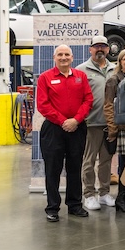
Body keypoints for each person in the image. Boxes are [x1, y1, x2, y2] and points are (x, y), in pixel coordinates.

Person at [36, 44, 94, 222]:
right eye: (60, 54)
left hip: (77, 127)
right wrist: (63, 121)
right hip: (54, 129)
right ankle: (52, 207)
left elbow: (88, 99)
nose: (63, 57)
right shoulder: (45, 78)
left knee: (75, 167)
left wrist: (76, 120)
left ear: (72, 57)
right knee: (52, 169)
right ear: (54, 58)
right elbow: (43, 105)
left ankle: (75, 205)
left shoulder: (81, 76)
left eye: (66, 55)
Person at [77, 36, 116, 212]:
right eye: (96, 46)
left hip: (110, 124)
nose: (100, 49)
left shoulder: (115, 69)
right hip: (90, 123)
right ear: (90, 49)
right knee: (89, 160)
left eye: (103, 46)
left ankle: (104, 192)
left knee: (106, 160)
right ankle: (89, 194)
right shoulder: (81, 70)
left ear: (108, 49)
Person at [104, 48, 125, 213]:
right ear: (120, 62)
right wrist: (112, 129)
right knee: (124, 165)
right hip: (123, 129)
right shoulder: (113, 80)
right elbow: (109, 105)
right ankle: (122, 198)